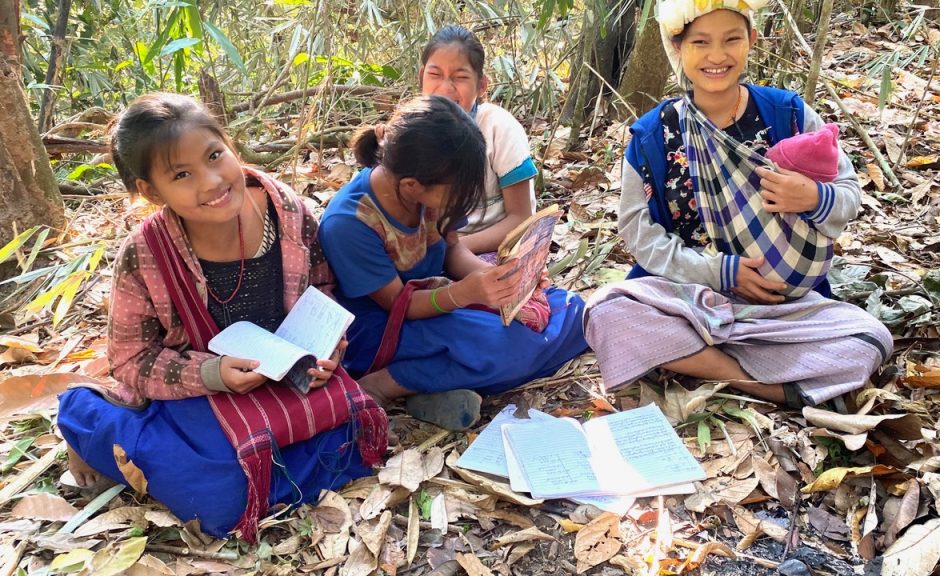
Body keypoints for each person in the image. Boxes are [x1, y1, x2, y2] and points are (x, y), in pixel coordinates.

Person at [57, 93, 387, 541]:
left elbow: (321, 288)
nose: (212, 181)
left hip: (284, 377)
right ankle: (88, 418)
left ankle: (246, 467)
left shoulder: (284, 210)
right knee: (222, 501)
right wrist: (212, 373)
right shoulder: (144, 254)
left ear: (229, 145)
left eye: (215, 155)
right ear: (152, 192)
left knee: (361, 443)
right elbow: (131, 359)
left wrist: (327, 346)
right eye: (182, 174)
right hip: (199, 387)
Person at [584, 0, 892, 408]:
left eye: (731, 39)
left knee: (871, 339)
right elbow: (639, 235)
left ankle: (695, 361)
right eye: (700, 42)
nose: (716, 56)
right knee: (606, 312)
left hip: (781, 309)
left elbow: (850, 194)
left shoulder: (789, 114)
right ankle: (759, 382)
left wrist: (814, 197)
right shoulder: (651, 136)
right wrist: (721, 271)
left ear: (751, 40)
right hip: (689, 300)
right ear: (678, 47)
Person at [319, 96, 587, 430]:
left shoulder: (431, 186)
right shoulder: (349, 223)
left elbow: (453, 250)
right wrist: (466, 294)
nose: (462, 200)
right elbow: (400, 305)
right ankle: (389, 382)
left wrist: (499, 278)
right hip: (383, 325)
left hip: (439, 297)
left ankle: (437, 382)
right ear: (411, 186)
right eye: (456, 192)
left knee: (570, 311)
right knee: (505, 346)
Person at [418, 25, 539, 261]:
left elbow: (521, 217)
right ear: (421, 76)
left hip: (496, 248)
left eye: (460, 77)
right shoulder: (411, 130)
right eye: (435, 75)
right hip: (429, 250)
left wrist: (454, 248)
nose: (444, 88)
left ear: (481, 85)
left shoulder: (498, 127)